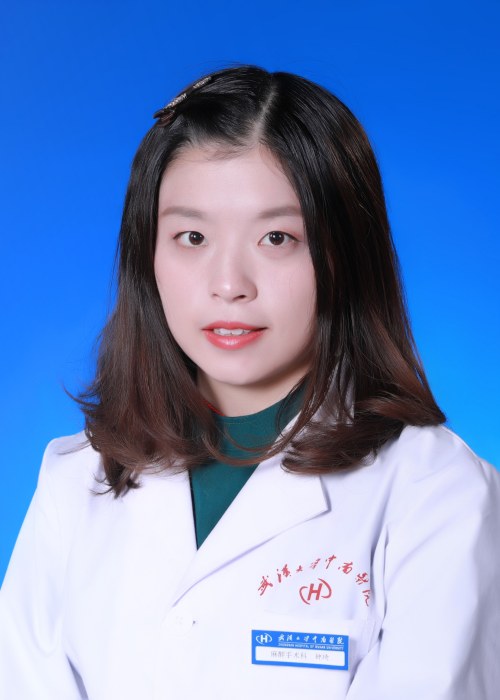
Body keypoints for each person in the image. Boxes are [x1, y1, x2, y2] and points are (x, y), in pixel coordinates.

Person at [1, 65, 499, 700]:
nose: (229, 284)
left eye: (276, 237)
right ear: (147, 254)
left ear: (344, 255)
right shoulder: (76, 481)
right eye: (192, 237)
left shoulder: (437, 494)